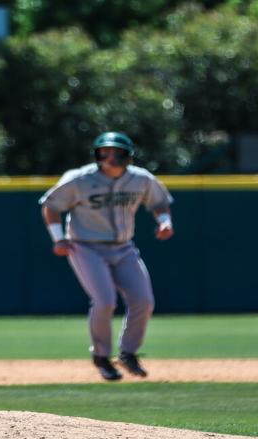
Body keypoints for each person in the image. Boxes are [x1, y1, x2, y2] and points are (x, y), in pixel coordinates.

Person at [38, 131, 175, 381]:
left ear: (128, 155)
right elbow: (51, 206)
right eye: (105, 151)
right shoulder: (80, 179)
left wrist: (165, 221)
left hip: (124, 247)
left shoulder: (140, 179)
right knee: (105, 301)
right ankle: (101, 356)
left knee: (144, 300)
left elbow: (159, 202)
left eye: (116, 152)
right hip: (85, 246)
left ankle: (128, 353)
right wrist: (58, 238)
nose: (110, 157)